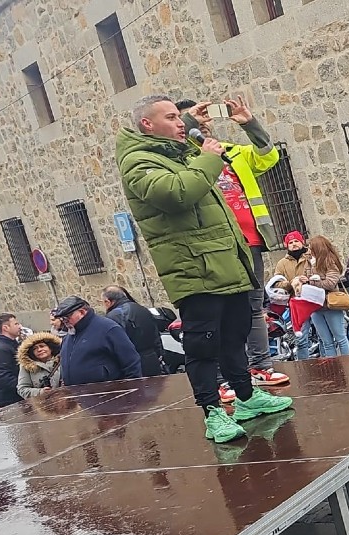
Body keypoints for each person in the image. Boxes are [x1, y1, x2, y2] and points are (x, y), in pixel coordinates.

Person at [116, 94, 291, 443]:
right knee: (202, 344)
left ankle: (245, 398)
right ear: (146, 125)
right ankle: (212, 413)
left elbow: (254, 154)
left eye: (180, 118)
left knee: (235, 333)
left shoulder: (178, 151)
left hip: (226, 261)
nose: (180, 123)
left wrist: (193, 125)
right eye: (171, 118)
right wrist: (210, 160)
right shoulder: (137, 161)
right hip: (193, 269)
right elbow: (176, 192)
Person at [176, 97, 289, 388]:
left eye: (205, 118)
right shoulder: (183, 159)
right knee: (219, 313)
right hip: (217, 245)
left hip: (251, 242)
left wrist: (250, 124)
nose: (203, 122)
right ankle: (224, 378)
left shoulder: (232, 152)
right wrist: (189, 124)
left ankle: (261, 367)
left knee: (253, 309)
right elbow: (175, 154)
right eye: (192, 119)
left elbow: (267, 157)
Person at [52, 296, 142, 386]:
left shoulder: (108, 328)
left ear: (82, 312)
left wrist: (131, 391)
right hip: (77, 395)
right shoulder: (69, 335)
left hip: (108, 393)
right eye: (62, 319)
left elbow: (131, 362)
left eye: (67, 317)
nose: (65, 321)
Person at [301, 235, 349, 357]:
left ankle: (348, 363)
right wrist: (303, 280)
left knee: (340, 338)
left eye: (311, 247)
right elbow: (305, 279)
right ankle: (333, 367)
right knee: (326, 342)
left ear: (318, 248)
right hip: (314, 306)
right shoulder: (308, 262)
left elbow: (330, 283)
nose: (308, 249)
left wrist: (311, 281)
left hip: (331, 305)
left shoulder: (330, 262)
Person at [271, 231, 317, 360]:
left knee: (323, 337)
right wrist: (291, 283)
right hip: (296, 305)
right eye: (290, 243)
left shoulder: (312, 257)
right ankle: (305, 366)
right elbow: (277, 283)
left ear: (302, 242)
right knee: (301, 339)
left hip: (315, 301)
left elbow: (321, 273)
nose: (294, 244)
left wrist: (308, 279)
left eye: (296, 241)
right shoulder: (282, 264)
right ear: (287, 245)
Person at [101, 285, 164, 377]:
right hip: (151, 359)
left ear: (108, 301)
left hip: (134, 364)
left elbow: (116, 345)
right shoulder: (142, 309)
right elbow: (156, 335)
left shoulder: (113, 317)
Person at [0, 313, 24, 407]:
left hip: (18, 395)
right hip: (12, 399)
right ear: (5, 328)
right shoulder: (0, 349)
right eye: (16, 324)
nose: (20, 326)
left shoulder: (12, 344)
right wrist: (24, 387)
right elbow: (3, 376)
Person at [16, 331, 62, 399]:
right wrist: (40, 392)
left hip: (64, 402)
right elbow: (22, 389)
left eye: (42, 346)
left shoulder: (62, 361)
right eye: (35, 348)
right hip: (42, 405)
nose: (39, 350)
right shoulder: (26, 366)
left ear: (50, 347)